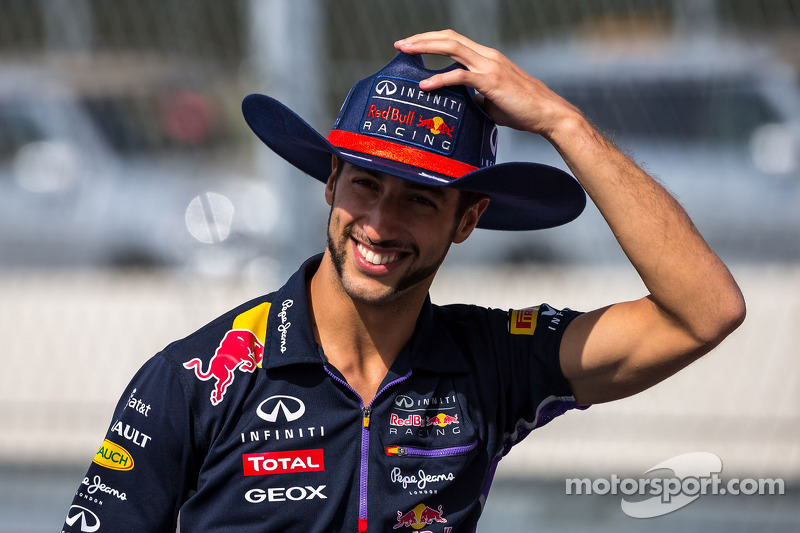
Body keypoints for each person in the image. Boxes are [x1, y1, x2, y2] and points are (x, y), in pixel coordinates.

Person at [62, 30, 745, 532]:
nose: (381, 223)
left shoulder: (492, 360)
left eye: (420, 197)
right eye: (365, 184)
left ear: (468, 218)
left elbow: (704, 311)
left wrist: (562, 123)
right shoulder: (196, 375)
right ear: (330, 183)